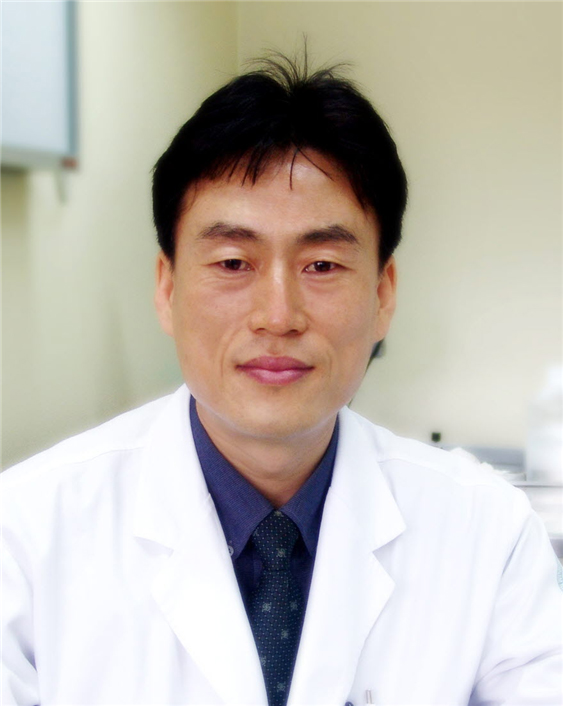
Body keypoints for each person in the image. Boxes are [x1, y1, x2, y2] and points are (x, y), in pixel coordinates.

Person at [1, 54, 561, 706]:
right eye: (232, 262)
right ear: (166, 287)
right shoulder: (25, 533)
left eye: (322, 265)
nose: (277, 315)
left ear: (383, 294)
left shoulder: (486, 531)